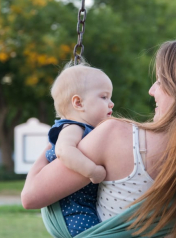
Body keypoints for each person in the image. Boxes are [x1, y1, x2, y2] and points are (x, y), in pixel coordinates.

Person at [22, 38, 176, 238]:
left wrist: (59, 137)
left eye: (161, 81)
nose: (152, 90)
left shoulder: (116, 136)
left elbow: (30, 197)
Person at [42, 63, 114, 237]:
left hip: (82, 207)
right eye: (104, 97)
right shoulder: (73, 127)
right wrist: (92, 170)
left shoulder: (87, 129)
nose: (111, 104)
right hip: (74, 212)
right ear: (78, 103)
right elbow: (64, 151)